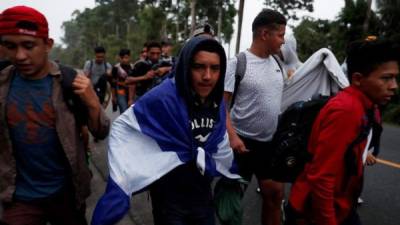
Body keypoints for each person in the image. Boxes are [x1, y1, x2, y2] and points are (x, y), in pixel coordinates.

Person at [92, 36, 239, 225]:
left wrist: (228, 164)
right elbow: (124, 127)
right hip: (169, 197)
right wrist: (122, 182)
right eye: (199, 67)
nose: (207, 76)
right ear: (186, 67)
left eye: (215, 68)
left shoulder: (216, 99)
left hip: (202, 194)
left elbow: (217, 136)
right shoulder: (163, 97)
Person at [0, 6, 110, 225]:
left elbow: (101, 130)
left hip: (66, 193)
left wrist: (92, 103)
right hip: (19, 197)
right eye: (11, 46)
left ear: (47, 45)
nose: (20, 56)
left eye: (29, 46)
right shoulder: (2, 83)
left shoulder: (69, 82)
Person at [286, 38, 399, 225]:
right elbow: (321, 177)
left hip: (341, 207)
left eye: (395, 78)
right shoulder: (347, 111)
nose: (394, 85)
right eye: (386, 78)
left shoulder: (367, 106)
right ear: (357, 79)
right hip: (315, 212)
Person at [224, 9, 286, 225]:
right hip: (241, 144)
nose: (283, 41)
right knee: (232, 201)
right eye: (280, 35)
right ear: (264, 34)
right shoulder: (238, 63)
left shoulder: (278, 63)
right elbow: (222, 107)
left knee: (275, 195)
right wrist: (232, 136)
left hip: (269, 144)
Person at [111, 48, 134, 114]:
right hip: (120, 91)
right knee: (123, 109)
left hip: (131, 92)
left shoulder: (133, 67)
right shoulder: (116, 68)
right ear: (119, 58)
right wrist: (113, 97)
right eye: (122, 58)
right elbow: (113, 83)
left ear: (129, 57)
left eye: (126, 57)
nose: (124, 60)